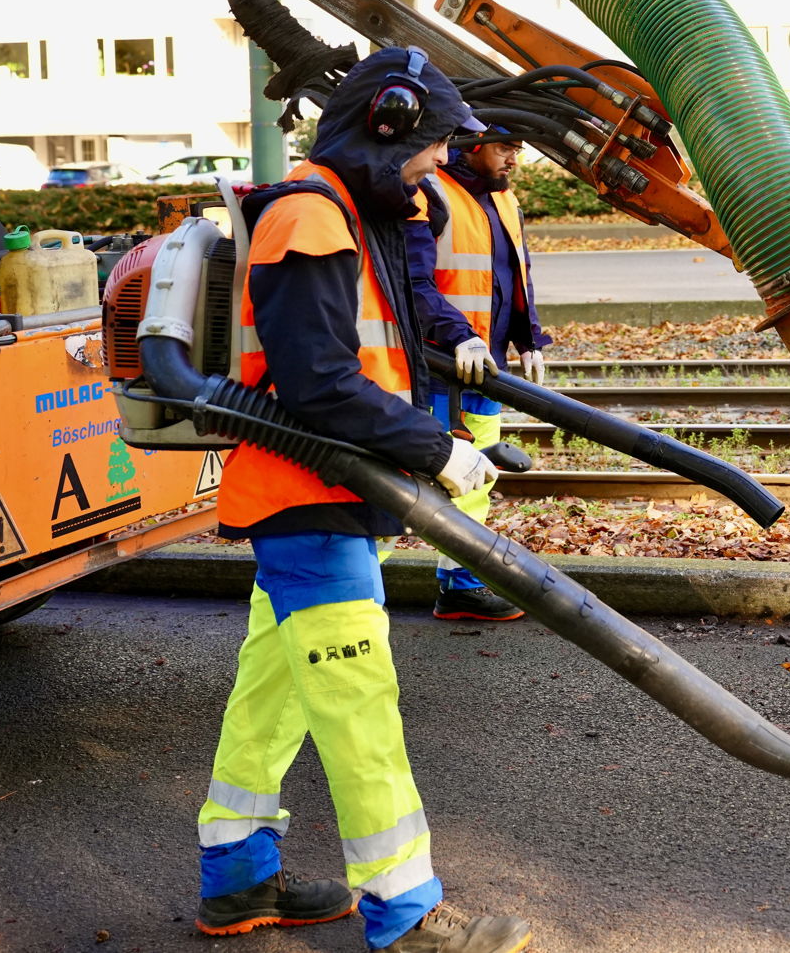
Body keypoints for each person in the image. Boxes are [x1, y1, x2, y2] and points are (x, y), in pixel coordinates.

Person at [194, 47, 532, 953]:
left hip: (327, 491)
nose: (434, 169)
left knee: (274, 692)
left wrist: (451, 351)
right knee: (359, 700)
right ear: (383, 130)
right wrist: (438, 449)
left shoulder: (352, 211)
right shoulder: (309, 219)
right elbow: (318, 385)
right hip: (309, 494)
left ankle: (235, 876)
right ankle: (407, 912)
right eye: (427, 150)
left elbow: (375, 344)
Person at [406, 128, 551, 623]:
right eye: (504, 147)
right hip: (439, 365)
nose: (514, 157)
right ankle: (351, 591)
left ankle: (461, 585)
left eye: (518, 147)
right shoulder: (431, 192)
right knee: (415, 481)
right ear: (472, 144)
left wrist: (528, 336)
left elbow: (515, 273)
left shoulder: (503, 198)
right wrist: (456, 336)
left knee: (476, 479)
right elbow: (413, 282)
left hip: (481, 365)